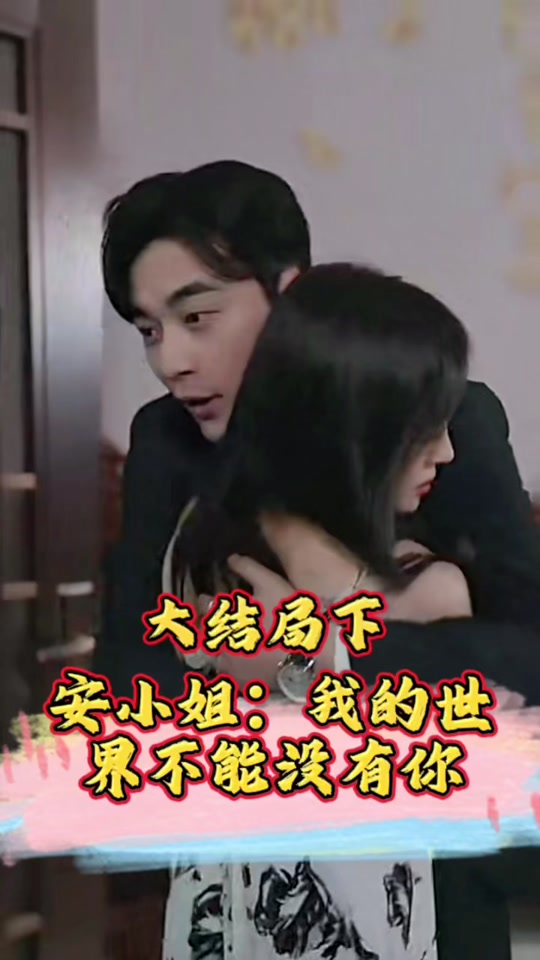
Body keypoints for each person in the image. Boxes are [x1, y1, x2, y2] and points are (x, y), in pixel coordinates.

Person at [97, 161, 540, 960]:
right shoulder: (167, 445)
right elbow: (132, 673)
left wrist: (323, 657)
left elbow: (526, 654)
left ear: (291, 297)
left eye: (197, 318)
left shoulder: (443, 420)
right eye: (148, 330)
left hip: (432, 880)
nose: (170, 361)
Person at [159, 262, 472, 960]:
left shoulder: (427, 591)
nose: (446, 451)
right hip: (227, 916)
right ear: (350, 425)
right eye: (423, 427)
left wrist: (312, 657)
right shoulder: (207, 549)